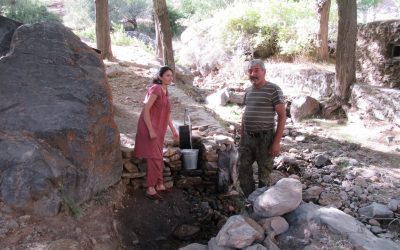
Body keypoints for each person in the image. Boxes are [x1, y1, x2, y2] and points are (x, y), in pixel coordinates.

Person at [238, 59, 286, 197]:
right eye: (250, 71)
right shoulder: (248, 91)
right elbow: (245, 115)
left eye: (256, 70)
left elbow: (282, 116)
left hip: (265, 139)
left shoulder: (274, 90)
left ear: (264, 72)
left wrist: (276, 142)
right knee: (242, 169)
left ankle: (263, 204)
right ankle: (250, 200)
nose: (253, 73)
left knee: (264, 173)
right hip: (247, 138)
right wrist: (242, 138)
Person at [133, 66, 179, 200]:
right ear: (160, 77)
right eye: (167, 75)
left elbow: (167, 113)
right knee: (154, 158)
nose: (170, 78)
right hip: (149, 128)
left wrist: (174, 130)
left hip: (160, 129)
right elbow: (146, 110)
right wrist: (151, 130)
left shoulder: (165, 90)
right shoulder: (156, 88)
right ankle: (150, 188)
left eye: (171, 75)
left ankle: (159, 185)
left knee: (158, 156)